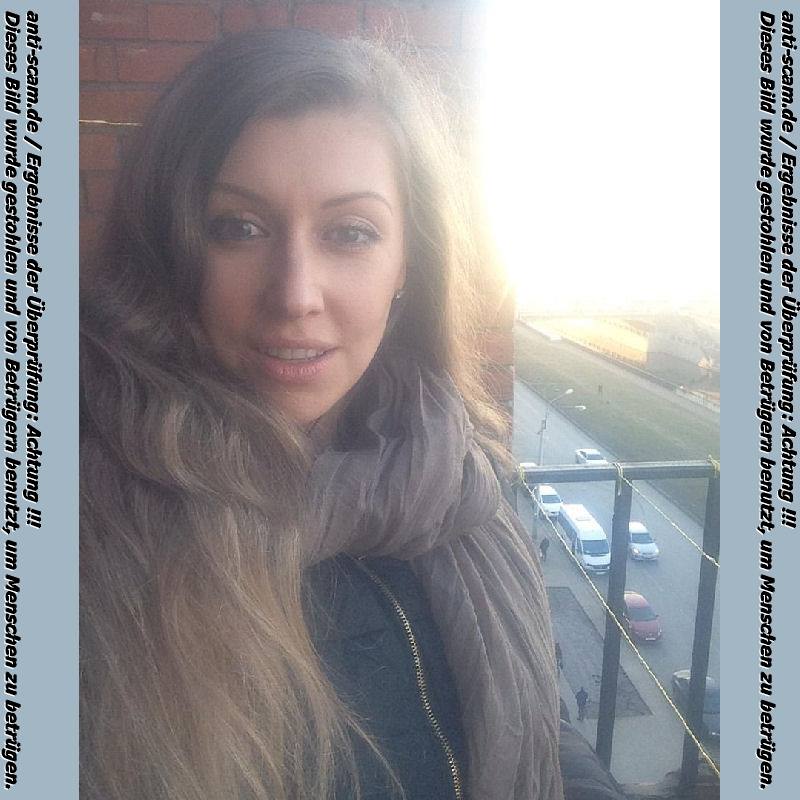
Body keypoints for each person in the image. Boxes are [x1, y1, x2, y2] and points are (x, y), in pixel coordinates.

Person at [80, 29, 563, 800]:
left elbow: (540, 727)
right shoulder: (84, 523)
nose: (295, 294)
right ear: (169, 248)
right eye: (238, 228)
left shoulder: (459, 478)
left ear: (407, 264)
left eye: (350, 233)